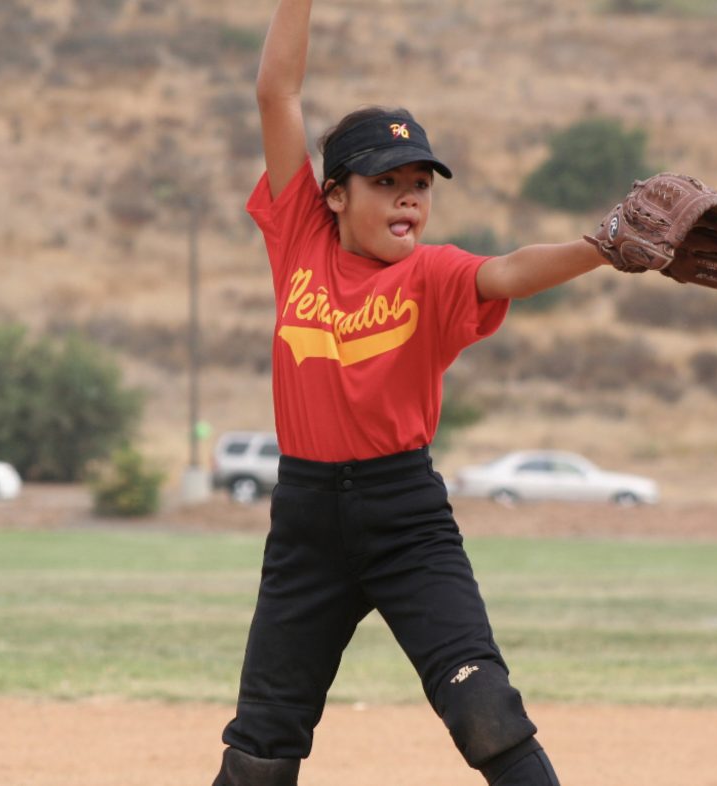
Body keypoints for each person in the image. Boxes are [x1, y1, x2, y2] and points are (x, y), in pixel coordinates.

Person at [211, 1, 612, 784]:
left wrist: (603, 248)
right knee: (261, 748)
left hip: (405, 518)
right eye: (385, 181)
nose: (407, 198)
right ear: (335, 196)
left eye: (420, 184)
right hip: (307, 524)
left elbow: (511, 271)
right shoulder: (300, 241)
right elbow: (276, 93)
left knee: (486, 713)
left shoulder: (433, 276)